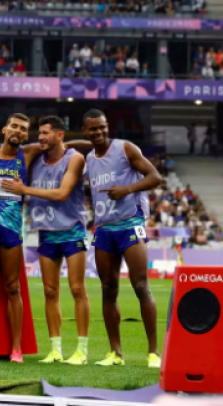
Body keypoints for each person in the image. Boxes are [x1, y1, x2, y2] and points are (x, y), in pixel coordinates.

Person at [0, 114, 90, 364]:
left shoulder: (30, 152)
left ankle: (16, 350)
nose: (18, 131)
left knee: (13, 288)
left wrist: (95, 142)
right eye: (14, 126)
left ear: (26, 135)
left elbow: (65, 146)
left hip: (11, 226)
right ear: (4, 128)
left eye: (23, 129)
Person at [0, 116, 91, 365]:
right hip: (46, 232)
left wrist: (25, 190)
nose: (40, 137)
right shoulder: (35, 160)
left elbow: (61, 194)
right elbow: (9, 178)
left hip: (72, 230)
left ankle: (81, 350)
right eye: (39, 133)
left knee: (78, 289)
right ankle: (55, 350)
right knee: (50, 292)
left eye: (46, 133)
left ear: (60, 135)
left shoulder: (75, 158)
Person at [83, 109, 163, 368]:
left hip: (130, 223)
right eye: (93, 129)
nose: (99, 132)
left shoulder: (125, 148)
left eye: (102, 127)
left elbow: (155, 177)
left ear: (108, 127)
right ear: (86, 132)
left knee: (141, 285)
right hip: (104, 229)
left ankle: (153, 353)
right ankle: (115, 354)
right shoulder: (89, 158)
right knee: (108, 289)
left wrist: (126, 189)